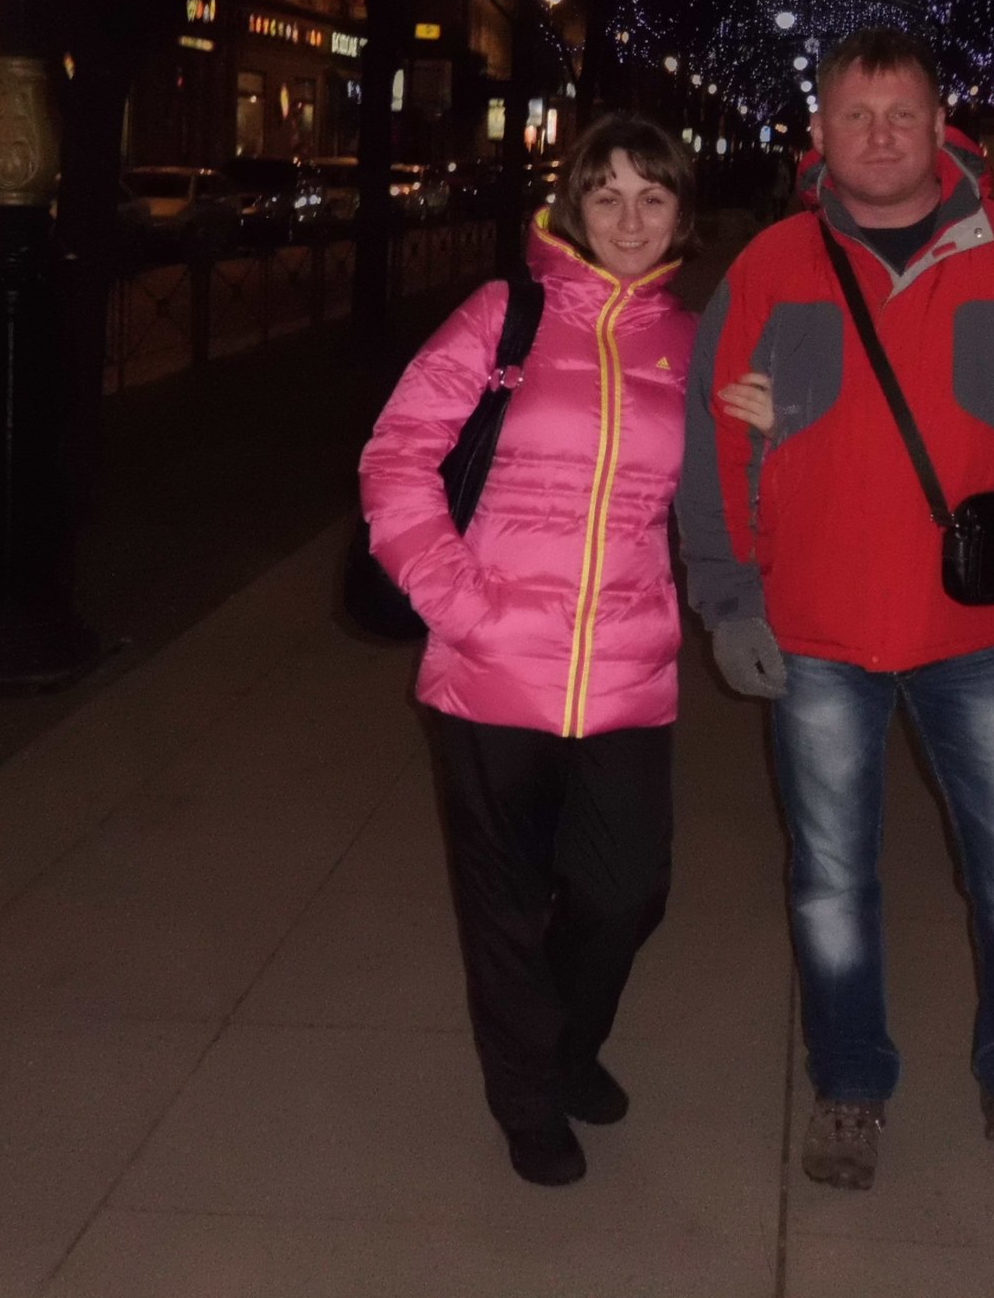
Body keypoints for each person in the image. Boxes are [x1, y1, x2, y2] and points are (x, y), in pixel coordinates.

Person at [679, 27, 994, 1201]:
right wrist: (729, 598)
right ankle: (849, 1083)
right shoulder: (772, 266)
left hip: (972, 637)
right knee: (831, 886)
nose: (877, 136)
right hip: (815, 634)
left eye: (900, 114)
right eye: (854, 114)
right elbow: (710, 447)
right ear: (817, 133)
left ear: (940, 127)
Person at [360, 112, 770, 1188]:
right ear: (573, 207)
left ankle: (568, 1042)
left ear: (682, 214)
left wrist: (770, 441)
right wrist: (461, 604)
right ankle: (528, 1097)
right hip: (489, 668)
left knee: (627, 892)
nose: (630, 219)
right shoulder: (504, 315)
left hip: (628, 672)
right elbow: (397, 455)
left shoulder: (697, 344)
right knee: (503, 908)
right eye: (607, 195)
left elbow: (732, 510)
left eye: (653, 197)